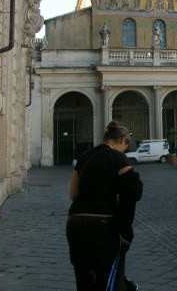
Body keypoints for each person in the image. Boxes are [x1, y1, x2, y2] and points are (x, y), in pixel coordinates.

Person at [67, 121, 143, 290]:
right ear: (122, 140)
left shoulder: (85, 156)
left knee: (84, 281)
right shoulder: (118, 157)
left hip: (75, 225)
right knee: (106, 281)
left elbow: (72, 194)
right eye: (126, 146)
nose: (125, 150)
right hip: (102, 225)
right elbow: (134, 190)